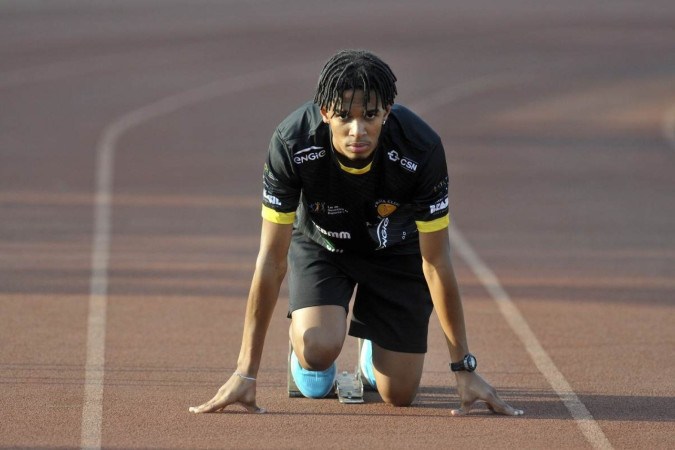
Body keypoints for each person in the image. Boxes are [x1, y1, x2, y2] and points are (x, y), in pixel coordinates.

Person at [190, 49, 523, 416]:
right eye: (344, 116)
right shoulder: (293, 143)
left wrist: (463, 367)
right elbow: (271, 261)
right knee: (317, 354)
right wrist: (246, 373)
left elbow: (436, 262)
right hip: (324, 245)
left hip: (396, 250)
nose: (357, 130)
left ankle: (371, 348)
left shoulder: (421, 149)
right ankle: (307, 348)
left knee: (399, 395)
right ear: (324, 112)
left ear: (387, 112)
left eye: (370, 116)